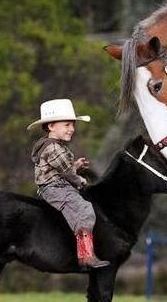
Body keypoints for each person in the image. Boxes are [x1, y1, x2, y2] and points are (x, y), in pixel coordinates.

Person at [27, 99, 109, 268]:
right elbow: (67, 173)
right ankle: (86, 255)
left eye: (72, 125)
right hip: (56, 188)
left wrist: (76, 165)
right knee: (85, 210)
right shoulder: (54, 148)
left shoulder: (53, 146)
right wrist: (80, 180)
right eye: (66, 125)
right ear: (51, 126)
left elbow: (61, 167)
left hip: (56, 185)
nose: (72, 129)